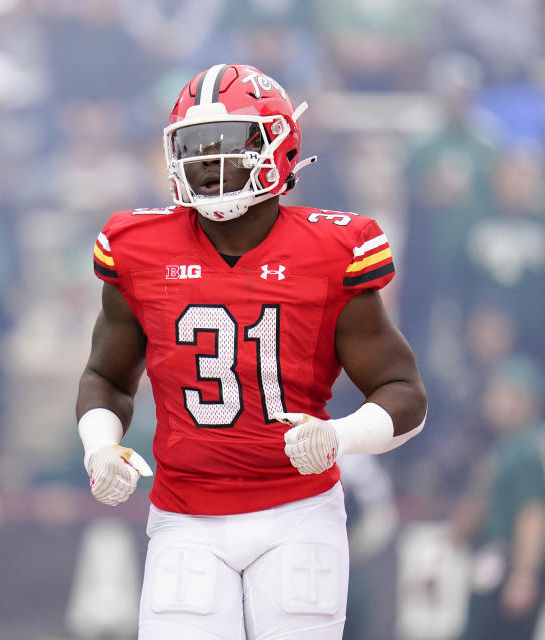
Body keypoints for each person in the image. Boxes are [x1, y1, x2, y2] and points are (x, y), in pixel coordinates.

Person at [75, 63, 427, 639]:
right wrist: (99, 448)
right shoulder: (139, 246)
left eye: (229, 143)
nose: (208, 161)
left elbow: (405, 393)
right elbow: (106, 377)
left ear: (279, 144)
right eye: (193, 145)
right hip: (183, 514)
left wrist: (339, 436)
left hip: (298, 512)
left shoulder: (334, 247)